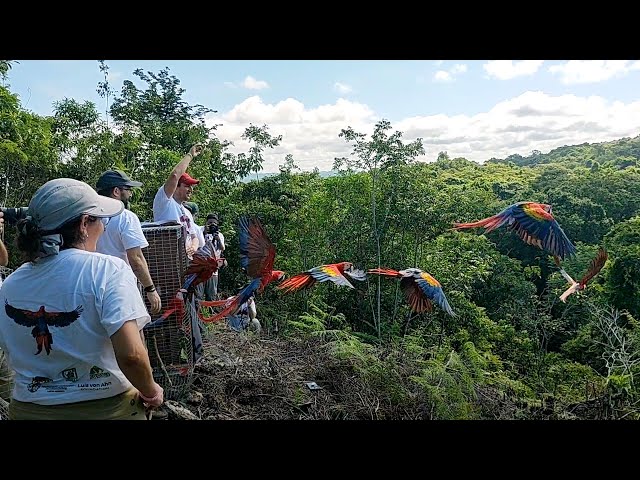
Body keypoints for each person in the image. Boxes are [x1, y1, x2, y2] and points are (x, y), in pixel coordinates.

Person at [0, 178, 163, 420]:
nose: (105, 228)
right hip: (106, 409)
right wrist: (151, 391)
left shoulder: (10, 284)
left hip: (28, 409)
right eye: (101, 220)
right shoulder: (107, 270)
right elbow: (131, 356)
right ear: (85, 224)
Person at [95, 170, 162, 315]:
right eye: (128, 189)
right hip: (120, 285)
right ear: (116, 191)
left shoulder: (88, 217)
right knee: (135, 331)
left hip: (93, 284)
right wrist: (150, 289)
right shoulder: (126, 217)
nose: (130, 194)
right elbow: (136, 259)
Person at [152, 144, 205, 260]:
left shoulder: (187, 212)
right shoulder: (165, 202)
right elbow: (175, 175)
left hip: (184, 263)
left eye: (192, 187)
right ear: (176, 187)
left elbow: (194, 236)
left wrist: (194, 247)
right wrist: (190, 155)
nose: (191, 189)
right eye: (187, 186)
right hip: (167, 260)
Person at [202, 213, 227, 301]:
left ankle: (210, 313)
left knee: (211, 295)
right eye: (210, 223)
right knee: (199, 295)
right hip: (201, 268)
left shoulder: (219, 235)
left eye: (214, 223)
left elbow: (222, 248)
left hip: (213, 270)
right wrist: (204, 233)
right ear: (206, 223)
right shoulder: (201, 230)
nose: (212, 225)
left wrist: (218, 239)